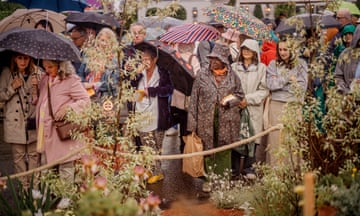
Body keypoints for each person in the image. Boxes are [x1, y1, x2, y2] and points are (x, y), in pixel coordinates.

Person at [187, 44, 246, 189]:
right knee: (207, 149)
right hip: (205, 119)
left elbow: (240, 95)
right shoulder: (202, 74)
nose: (212, 61)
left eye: (216, 59)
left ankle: (223, 180)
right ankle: (209, 180)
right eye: (211, 58)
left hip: (227, 119)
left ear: (224, 60)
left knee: (224, 149)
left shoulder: (233, 76)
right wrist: (192, 124)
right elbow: (194, 99)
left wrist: (229, 102)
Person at [36, 60, 90, 182]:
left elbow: (85, 101)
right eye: (45, 67)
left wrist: (68, 108)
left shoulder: (71, 80)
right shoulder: (45, 79)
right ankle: (46, 200)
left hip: (61, 131)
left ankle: (66, 200)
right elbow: (43, 101)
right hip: (45, 131)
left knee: (65, 167)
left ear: (60, 66)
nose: (47, 70)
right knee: (45, 166)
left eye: (50, 67)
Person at [131, 46, 173, 184]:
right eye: (142, 59)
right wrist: (134, 74)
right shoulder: (139, 72)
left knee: (156, 143)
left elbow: (168, 89)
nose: (145, 62)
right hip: (141, 111)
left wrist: (152, 91)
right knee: (146, 143)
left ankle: (158, 172)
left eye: (147, 59)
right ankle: (152, 169)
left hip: (158, 112)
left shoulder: (162, 73)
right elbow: (130, 87)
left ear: (155, 59)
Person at [266, 36, 308, 166]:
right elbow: (271, 84)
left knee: (293, 139)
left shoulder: (301, 64)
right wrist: (286, 79)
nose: (283, 52)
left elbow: (302, 87)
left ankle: (293, 170)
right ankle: (275, 171)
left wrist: (286, 84)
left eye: (286, 49)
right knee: (275, 139)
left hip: (294, 105)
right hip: (276, 104)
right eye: (280, 49)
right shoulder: (273, 64)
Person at [0, 52, 41, 186]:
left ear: (30, 59)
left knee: (35, 158)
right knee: (19, 160)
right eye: (20, 58)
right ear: (14, 59)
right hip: (15, 123)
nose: (23, 62)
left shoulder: (38, 72)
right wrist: (12, 88)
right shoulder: (7, 73)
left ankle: (35, 194)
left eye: (26, 58)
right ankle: (24, 194)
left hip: (32, 122)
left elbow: (46, 96)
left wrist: (38, 86)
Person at [231, 39, 269, 177]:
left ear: (254, 51)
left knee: (252, 137)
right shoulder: (233, 67)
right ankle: (234, 169)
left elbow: (264, 90)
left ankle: (249, 168)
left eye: (249, 49)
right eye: (243, 49)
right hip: (236, 107)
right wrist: (238, 99)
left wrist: (249, 99)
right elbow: (229, 87)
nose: (246, 51)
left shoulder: (262, 68)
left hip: (253, 108)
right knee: (235, 137)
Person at [82, 27, 120, 99]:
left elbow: (113, 83)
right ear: (98, 40)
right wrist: (84, 84)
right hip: (87, 95)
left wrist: (93, 85)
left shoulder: (115, 61)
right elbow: (80, 74)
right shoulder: (88, 56)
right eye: (102, 40)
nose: (104, 44)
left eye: (108, 41)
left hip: (106, 97)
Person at [334, 25, 360, 94]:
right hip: (348, 98)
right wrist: (346, 91)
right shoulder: (346, 54)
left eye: (350, 34)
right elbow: (338, 76)